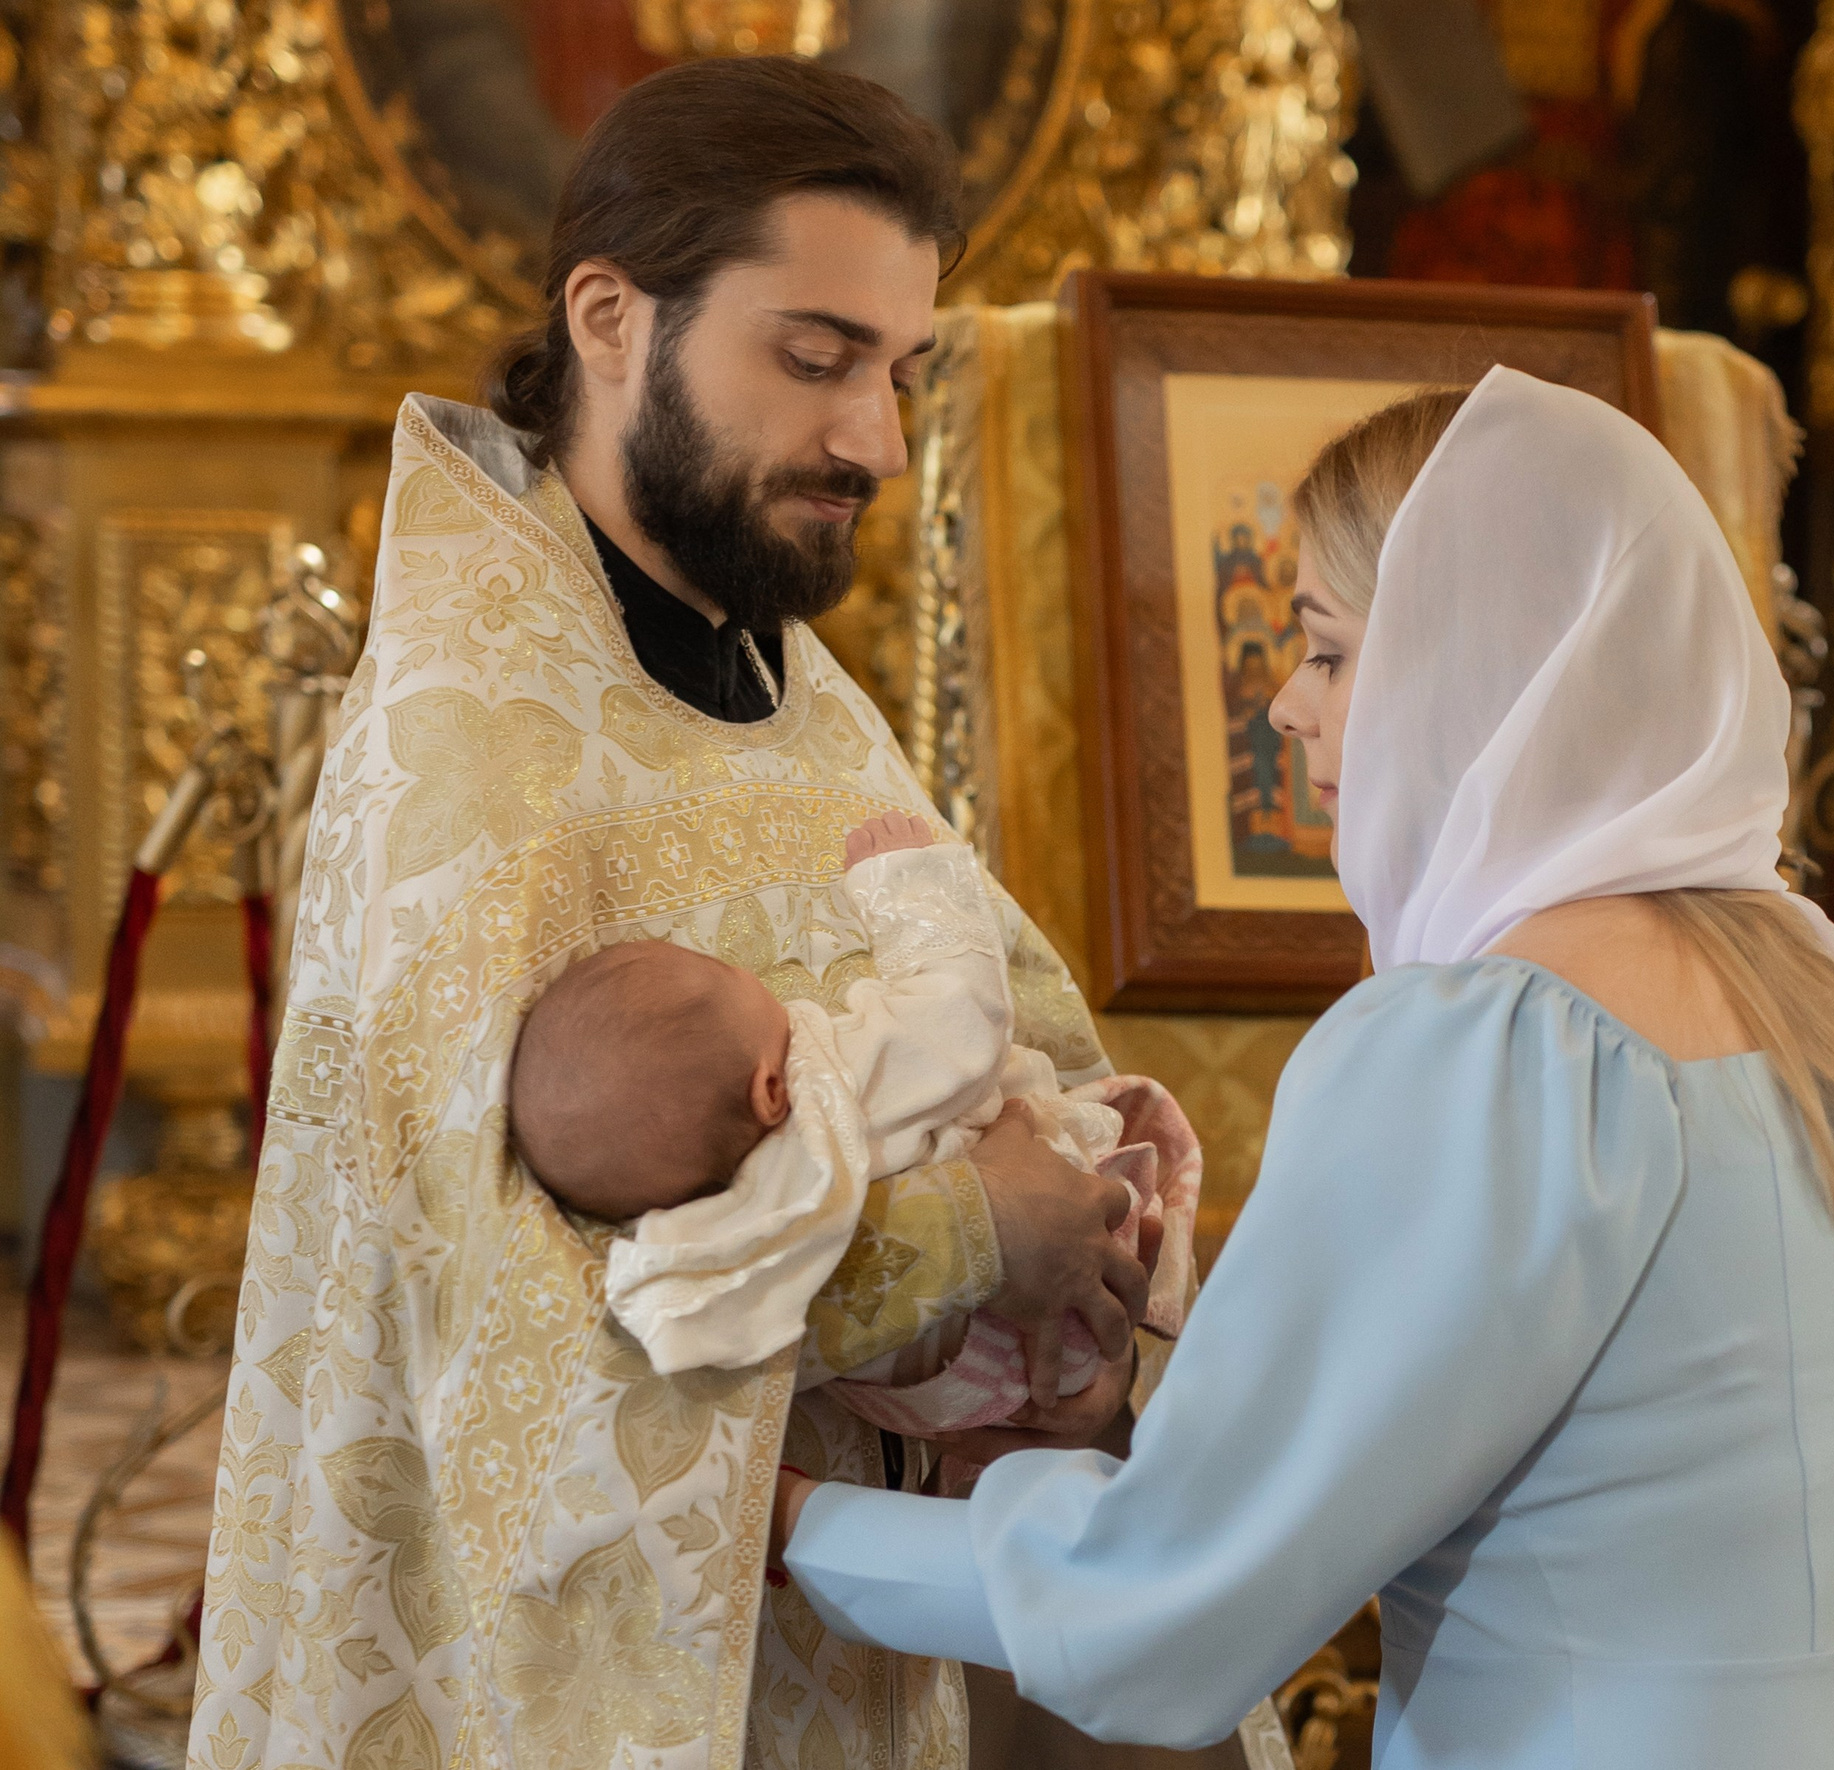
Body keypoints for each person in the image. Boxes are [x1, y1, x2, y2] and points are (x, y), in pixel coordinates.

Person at [771, 369, 1834, 1767]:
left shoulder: (1492, 1046)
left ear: (1491, 671)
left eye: (1332, 651)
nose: (1291, 705)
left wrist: (796, 1520)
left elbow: (1164, 1611)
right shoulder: (1812, 981)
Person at [190, 61, 1164, 1770]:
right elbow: (490, 1353)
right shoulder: (463, 751)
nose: (874, 438)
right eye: (814, 359)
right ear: (612, 318)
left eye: (902, 374)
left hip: (859, 1658)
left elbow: (1028, 1056)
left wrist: (1090, 1252)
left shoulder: (800, 699)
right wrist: (969, 1239)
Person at [506, 809, 1196, 1427]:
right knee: (1139, 1131)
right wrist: (907, 885)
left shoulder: (706, 1226)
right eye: (740, 981)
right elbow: (963, 1018)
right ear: (770, 1088)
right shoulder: (830, 1078)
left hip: (930, 1397)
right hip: (1046, 1315)